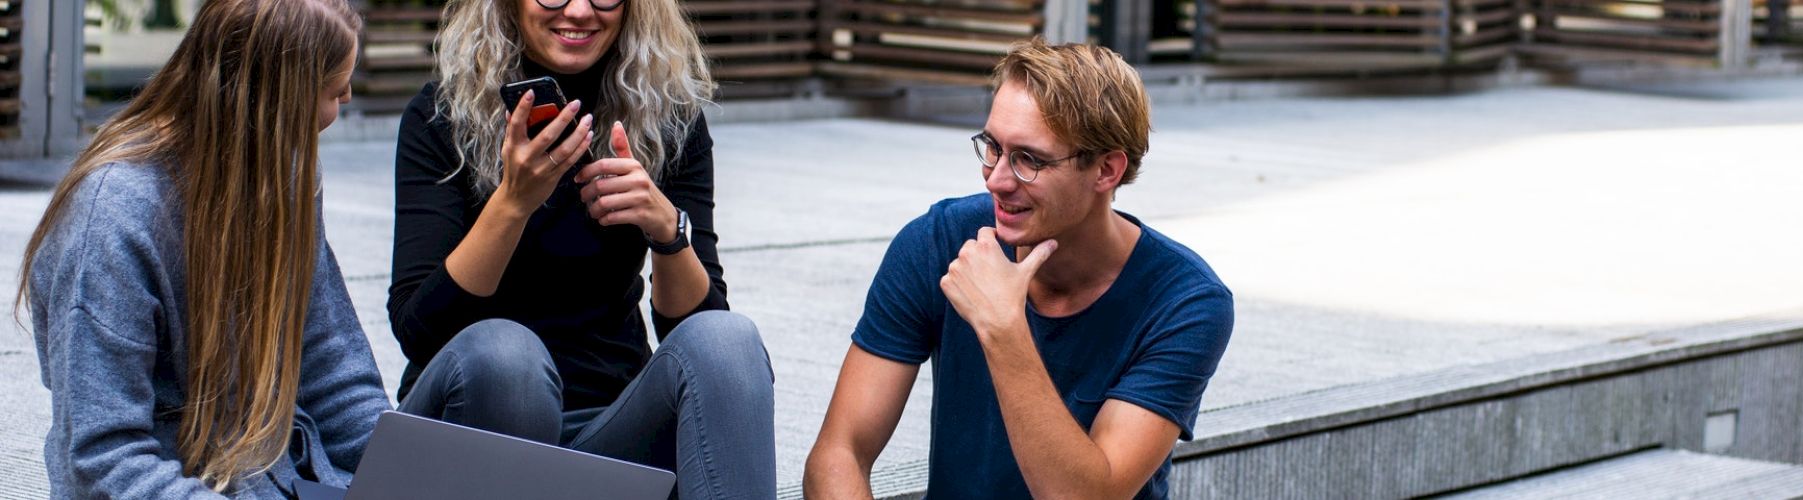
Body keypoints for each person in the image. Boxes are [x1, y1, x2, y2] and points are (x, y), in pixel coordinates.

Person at [804, 38, 1235, 499]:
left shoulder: (1186, 303)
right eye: (992, 147)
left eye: (1029, 159)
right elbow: (839, 453)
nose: (997, 179)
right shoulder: (939, 241)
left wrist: (1003, 326)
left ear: (1106, 171)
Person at [387, 0, 774, 496]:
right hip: (472, 429)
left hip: (608, 428)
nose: (578, 10)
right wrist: (512, 203)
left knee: (727, 340)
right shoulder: (441, 117)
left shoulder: (665, 118)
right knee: (509, 356)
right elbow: (419, 333)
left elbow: (696, 331)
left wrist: (666, 230)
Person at [18, 0, 383, 497]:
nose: (341, 108)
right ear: (274, 101)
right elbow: (102, 458)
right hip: (184, 483)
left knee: (488, 364)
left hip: (284, 469)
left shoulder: (285, 174)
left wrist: (396, 472)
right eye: (334, 92)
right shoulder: (112, 220)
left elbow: (330, 365)